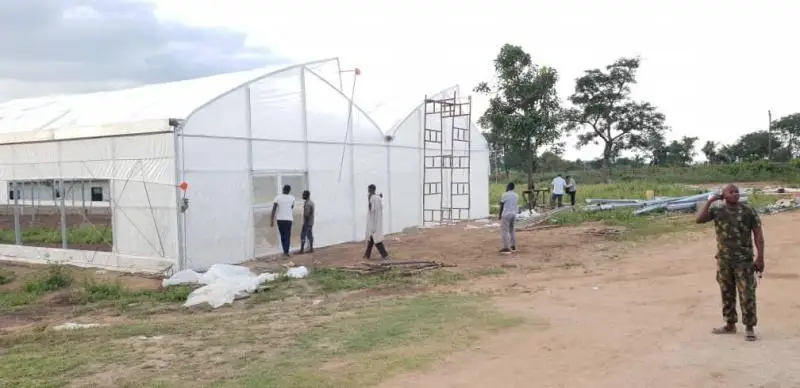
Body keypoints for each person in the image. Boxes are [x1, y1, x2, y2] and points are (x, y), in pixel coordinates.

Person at [695, 184, 765, 341]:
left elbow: (758, 236)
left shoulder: (748, 211)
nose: (735, 194)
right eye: (731, 192)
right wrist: (710, 201)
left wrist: (760, 257)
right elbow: (699, 220)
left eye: (737, 192)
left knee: (747, 293)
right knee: (727, 292)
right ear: (723, 195)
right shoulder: (717, 210)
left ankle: (749, 327)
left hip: (744, 261)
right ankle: (730, 324)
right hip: (724, 260)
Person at [364, 184, 390, 260]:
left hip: (373, 221)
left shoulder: (372, 198)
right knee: (372, 239)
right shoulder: (378, 198)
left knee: (376, 239)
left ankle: (384, 255)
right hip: (377, 220)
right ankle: (367, 255)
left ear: (371, 190)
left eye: (369, 190)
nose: (368, 192)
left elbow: (371, 209)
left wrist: (369, 200)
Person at [270, 185, 295, 258]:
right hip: (288, 220)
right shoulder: (292, 198)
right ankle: (286, 252)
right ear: (289, 190)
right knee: (287, 236)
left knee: (283, 236)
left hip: (280, 220)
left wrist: (271, 220)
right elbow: (292, 207)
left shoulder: (277, 197)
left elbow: (274, 209)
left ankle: (285, 252)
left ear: (283, 189)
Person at [498, 182, 518, 254]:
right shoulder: (516, 195)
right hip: (513, 214)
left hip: (506, 214)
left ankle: (506, 247)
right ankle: (513, 246)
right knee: (512, 230)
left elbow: (501, 205)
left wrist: (499, 215)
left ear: (508, 187)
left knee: (504, 231)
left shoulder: (505, 194)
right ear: (513, 187)